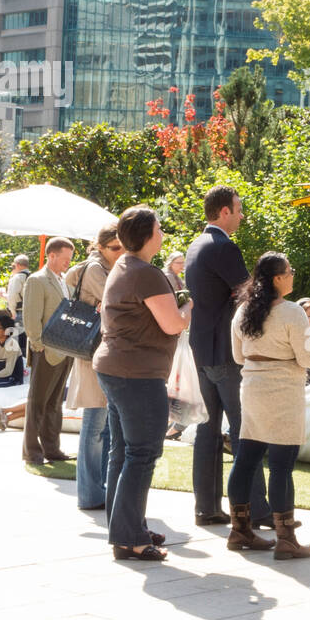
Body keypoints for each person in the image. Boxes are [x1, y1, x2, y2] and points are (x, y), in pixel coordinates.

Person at [94, 205, 192, 561]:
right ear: (149, 235)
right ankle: (129, 536)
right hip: (137, 372)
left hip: (116, 367)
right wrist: (188, 308)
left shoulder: (122, 266)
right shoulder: (146, 273)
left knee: (123, 451)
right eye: (160, 228)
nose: (163, 233)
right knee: (142, 453)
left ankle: (126, 528)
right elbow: (172, 325)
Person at [184, 185, 270, 529]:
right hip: (225, 354)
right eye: (238, 209)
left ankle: (206, 507)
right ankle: (257, 510)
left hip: (202, 350)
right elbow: (250, 294)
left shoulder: (195, 245)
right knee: (244, 430)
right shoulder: (222, 246)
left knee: (208, 430)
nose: (241, 215)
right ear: (224, 212)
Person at [228, 252, 310, 558]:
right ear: (278, 278)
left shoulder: (242, 311)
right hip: (284, 390)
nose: (293, 275)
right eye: (290, 271)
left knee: (246, 460)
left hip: (252, 388)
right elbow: (308, 358)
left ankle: (240, 531)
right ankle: (286, 537)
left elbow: (239, 356)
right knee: (281, 465)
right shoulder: (293, 312)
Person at [65, 222, 122, 511]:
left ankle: (98, 488)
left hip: (100, 352)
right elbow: (119, 299)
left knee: (105, 425)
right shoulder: (96, 270)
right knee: (95, 423)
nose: (120, 252)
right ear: (100, 246)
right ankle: (89, 492)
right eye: (115, 248)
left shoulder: (104, 267)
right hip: (93, 352)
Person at [21, 237, 76, 465]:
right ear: (51, 255)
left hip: (65, 351)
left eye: (70, 260)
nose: (68, 264)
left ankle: (52, 449)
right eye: (65, 259)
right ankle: (32, 451)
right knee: (38, 403)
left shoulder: (65, 281)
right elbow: (31, 317)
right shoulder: (37, 280)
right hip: (46, 350)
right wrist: (38, 345)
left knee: (54, 403)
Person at [3, 254, 31, 356]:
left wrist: (12, 311)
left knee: (17, 343)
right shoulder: (34, 277)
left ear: (18, 265)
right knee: (28, 343)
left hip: (19, 313)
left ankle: (18, 367)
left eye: (13, 266)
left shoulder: (17, 278)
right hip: (32, 314)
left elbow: (13, 296)